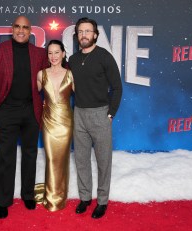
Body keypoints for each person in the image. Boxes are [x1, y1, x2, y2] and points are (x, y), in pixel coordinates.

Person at [0, 16, 48, 219]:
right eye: (18, 26)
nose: (21, 30)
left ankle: (28, 195)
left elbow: (58, 70)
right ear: (12, 29)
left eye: (25, 27)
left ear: (30, 31)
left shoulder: (40, 53)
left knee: (30, 154)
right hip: (7, 112)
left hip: (31, 111)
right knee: (5, 157)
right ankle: (3, 201)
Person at [69, 17, 122, 219]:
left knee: (103, 162)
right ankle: (85, 198)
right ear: (77, 36)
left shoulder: (104, 57)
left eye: (88, 31)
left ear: (95, 35)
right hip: (79, 114)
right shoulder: (72, 60)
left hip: (101, 113)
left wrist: (111, 113)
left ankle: (102, 201)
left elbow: (117, 87)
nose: (84, 35)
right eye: (81, 31)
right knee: (81, 160)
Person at [36, 40, 74, 211]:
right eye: (50, 53)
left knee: (63, 159)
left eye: (57, 52)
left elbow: (84, 96)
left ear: (63, 54)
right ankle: (52, 197)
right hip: (49, 122)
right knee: (51, 159)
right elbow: (32, 96)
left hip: (66, 123)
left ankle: (61, 194)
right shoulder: (41, 74)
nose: (53, 56)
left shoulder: (71, 74)